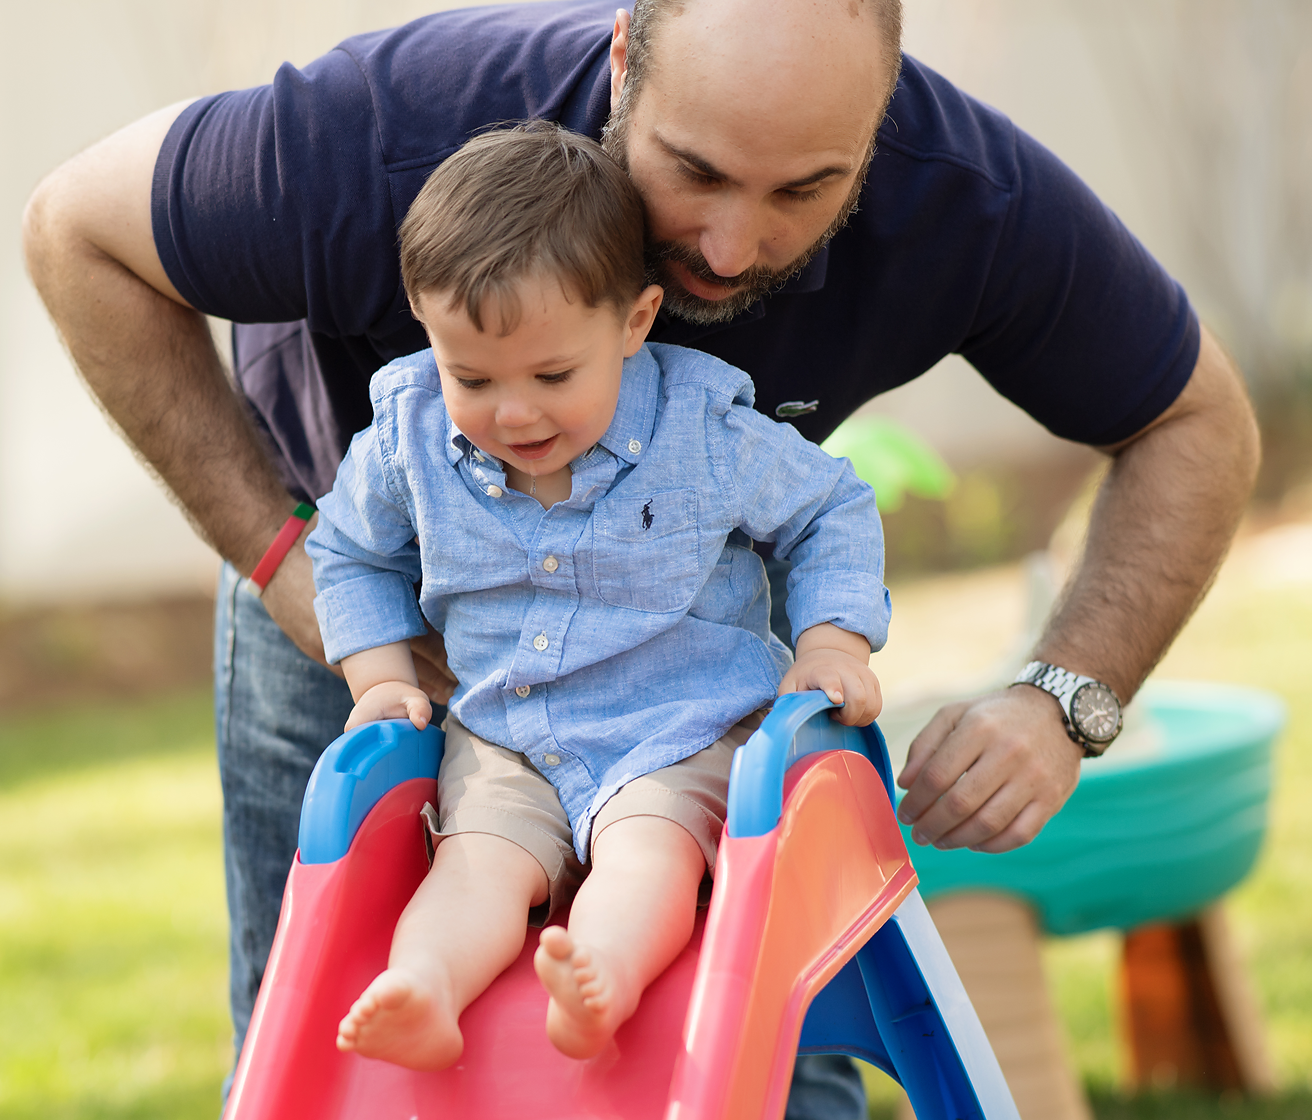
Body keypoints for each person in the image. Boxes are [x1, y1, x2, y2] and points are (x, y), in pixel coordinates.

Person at [23, 1, 1260, 1120]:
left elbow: (1194, 421)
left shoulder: (964, 198)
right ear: (623, 66)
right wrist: (296, 575)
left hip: (691, 660)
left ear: (882, 118)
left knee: (749, 1075)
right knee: (342, 1082)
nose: (736, 245)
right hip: (370, 611)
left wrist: (1061, 696)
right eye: (699, 173)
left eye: (807, 189)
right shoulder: (382, 139)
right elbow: (75, 234)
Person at [311, 124, 888, 1071]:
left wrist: (832, 643)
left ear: (634, 321)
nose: (515, 412)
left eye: (552, 375)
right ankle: (424, 988)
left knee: (647, 846)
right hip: (508, 733)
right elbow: (348, 547)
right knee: (475, 861)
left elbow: (828, 507)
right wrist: (377, 677)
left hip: (678, 727)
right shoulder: (406, 438)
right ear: (426, 326)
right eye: (472, 377)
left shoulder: (703, 431)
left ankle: (604, 976)